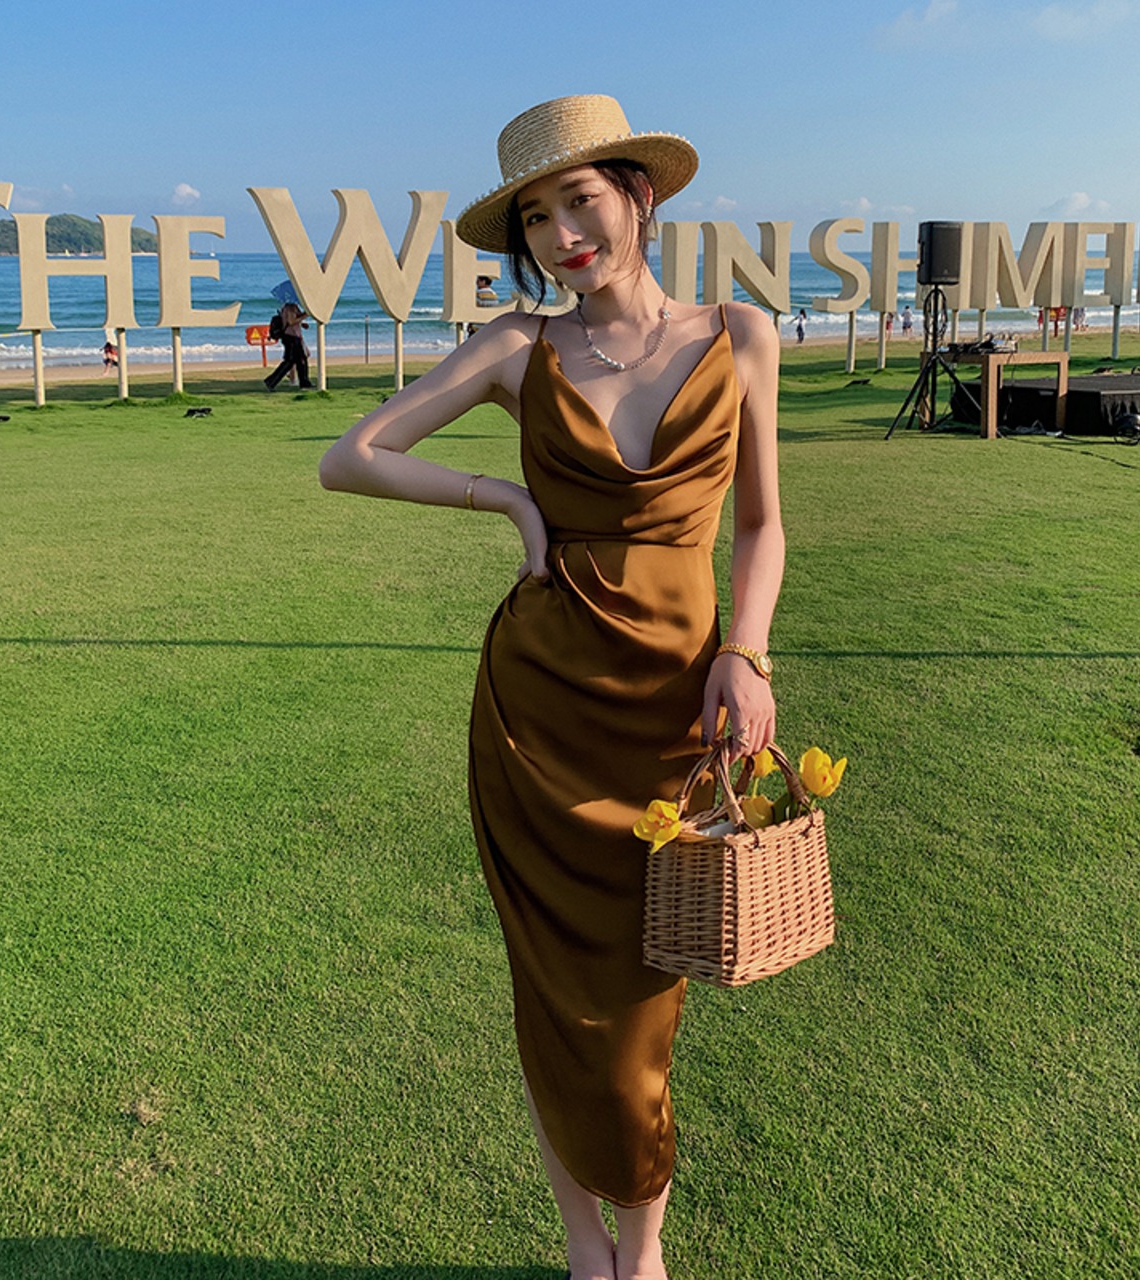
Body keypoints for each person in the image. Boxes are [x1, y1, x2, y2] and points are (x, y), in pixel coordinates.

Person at [319, 94, 783, 1280]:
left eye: (580, 200)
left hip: (672, 710)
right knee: (556, 993)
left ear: (638, 196)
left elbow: (759, 525)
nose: (562, 235)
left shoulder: (739, 333)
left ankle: (645, 1248)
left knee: (640, 1003)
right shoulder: (515, 348)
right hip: (539, 715)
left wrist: (745, 651)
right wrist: (507, 498)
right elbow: (350, 456)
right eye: (534, 216)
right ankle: (588, 1251)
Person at [264, 301, 314, 390]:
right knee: (296, 361)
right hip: (292, 337)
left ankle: (272, 381)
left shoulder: (288, 307)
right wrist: (306, 315)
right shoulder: (290, 307)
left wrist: (302, 321)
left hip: (291, 337)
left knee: (295, 361)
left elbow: (291, 320)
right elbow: (291, 321)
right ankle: (272, 381)